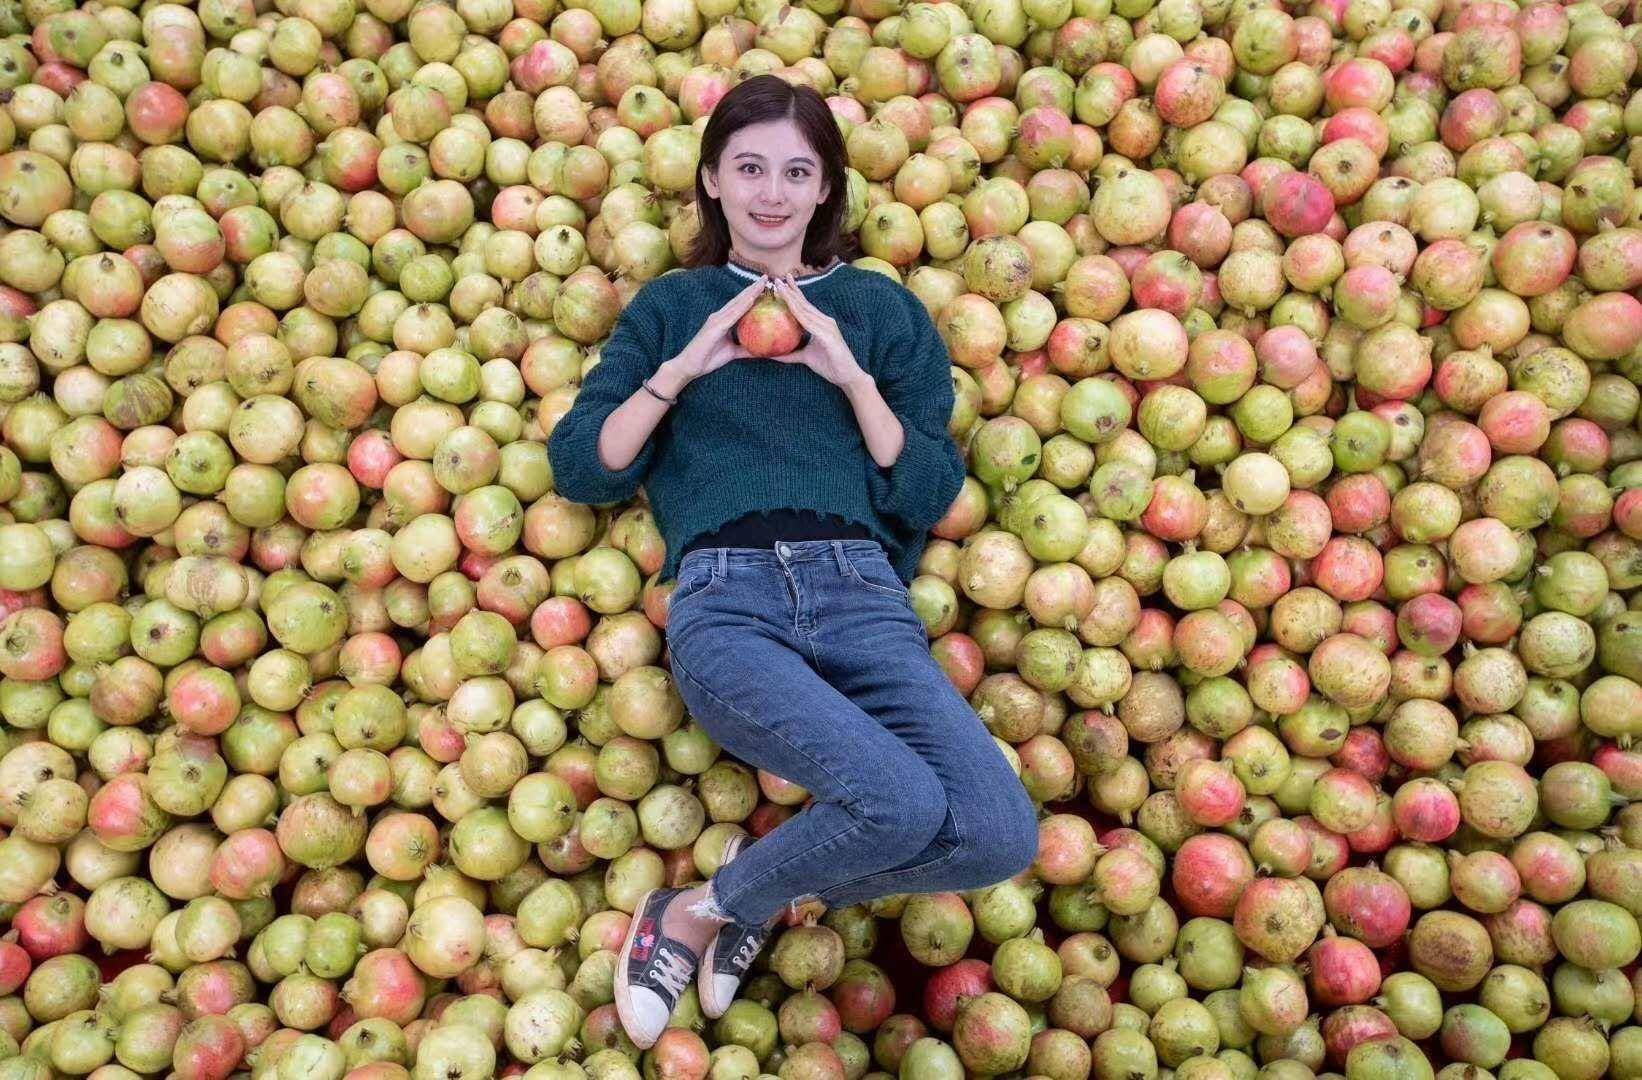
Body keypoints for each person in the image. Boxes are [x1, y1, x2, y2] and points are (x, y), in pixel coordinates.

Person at [546, 73, 1040, 1050]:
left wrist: (846, 378)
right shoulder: (673, 305)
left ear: (826, 192)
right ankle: (718, 911)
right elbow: (584, 468)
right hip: (728, 604)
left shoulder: (877, 310)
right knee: (898, 803)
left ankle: (717, 904)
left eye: (797, 171)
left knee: (997, 834)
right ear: (712, 184)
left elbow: (929, 492)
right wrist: (682, 370)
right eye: (750, 168)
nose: (772, 191)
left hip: (858, 592)